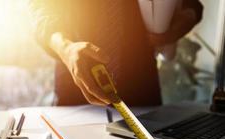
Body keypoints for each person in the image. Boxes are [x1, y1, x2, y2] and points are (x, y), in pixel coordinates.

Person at [30, 0, 203, 106]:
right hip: (76, 85)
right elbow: (42, 9)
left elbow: (192, 4)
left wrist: (187, 17)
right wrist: (66, 47)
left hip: (141, 89)